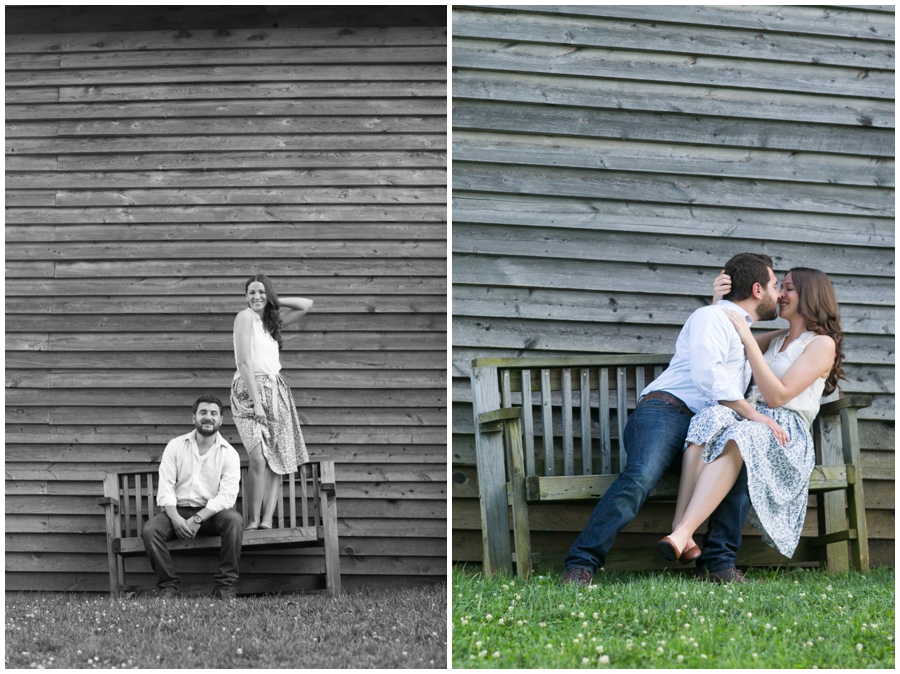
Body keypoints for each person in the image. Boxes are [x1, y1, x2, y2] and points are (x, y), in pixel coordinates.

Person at [562, 253, 781, 586]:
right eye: (775, 285)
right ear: (757, 289)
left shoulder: (737, 327)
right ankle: (581, 564)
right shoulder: (711, 316)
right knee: (641, 476)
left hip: (703, 428)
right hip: (666, 412)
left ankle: (718, 565)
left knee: (739, 466)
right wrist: (754, 416)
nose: (778, 294)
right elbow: (709, 376)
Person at [660, 267, 844, 562]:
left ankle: (682, 533)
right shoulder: (777, 338)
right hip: (752, 421)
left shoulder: (821, 343)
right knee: (709, 418)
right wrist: (718, 301)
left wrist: (748, 336)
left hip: (786, 431)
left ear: (811, 295)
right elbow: (720, 342)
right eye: (781, 287)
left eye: (789, 288)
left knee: (741, 433)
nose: (781, 294)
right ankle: (682, 531)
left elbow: (777, 396)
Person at [232, 273, 313, 530]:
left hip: (277, 391)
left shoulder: (270, 323)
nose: (256, 297)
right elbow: (243, 362)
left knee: (277, 458)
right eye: (251, 293)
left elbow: (306, 304)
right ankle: (253, 520)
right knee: (258, 458)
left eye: (261, 292)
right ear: (245, 297)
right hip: (249, 391)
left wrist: (273, 300)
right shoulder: (245, 317)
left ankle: (267, 520)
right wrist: (256, 402)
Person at [142, 395, 243, 600]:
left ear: (220, 420)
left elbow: (227, 497)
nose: (208, 417)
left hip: (211, 515)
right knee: (151, 530)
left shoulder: (229, 454)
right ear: (194, 418)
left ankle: (224, 586)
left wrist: (198, 518)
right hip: (176, 511)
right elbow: (166, 487)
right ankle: (169, 586)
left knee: (234, 520)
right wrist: (175, 518)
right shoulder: (176, 446)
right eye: (203, 412)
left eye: (213, 413)